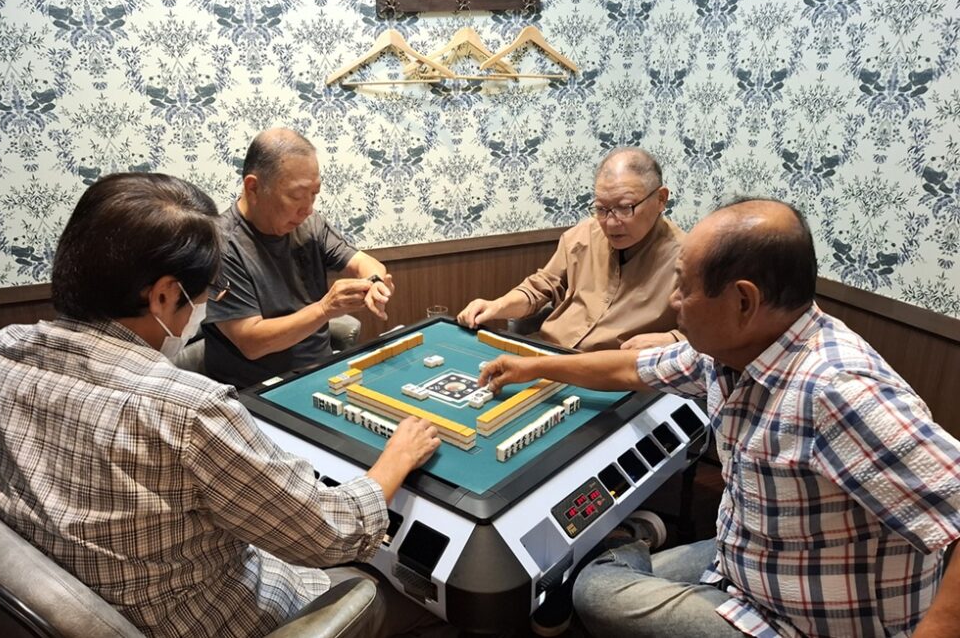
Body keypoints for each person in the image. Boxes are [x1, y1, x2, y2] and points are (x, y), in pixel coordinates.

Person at [0, 173, 445, 638]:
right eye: (205, 296)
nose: (206, 306)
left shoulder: (0, 350)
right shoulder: (188, 411)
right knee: (404, 590)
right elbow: (329, 536)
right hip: (222, 617)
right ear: (163, 295)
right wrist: (396, 459)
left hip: (97, 589)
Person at [479, 198, 960, 637]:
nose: (673, 302)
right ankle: (638, 539)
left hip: (806, 622)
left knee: (594, 592)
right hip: (751, 558)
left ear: (743, 302)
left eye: (684, 288)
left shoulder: (836, 391)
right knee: (599, 579)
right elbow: (629, 368)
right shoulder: (732, 349)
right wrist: (533, 366)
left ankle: (632, 541)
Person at [203, 128, 393, 387]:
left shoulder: (308, 224)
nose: (308, 209)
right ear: (253, 188)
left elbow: (364, 263)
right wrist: (325, 309)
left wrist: (374, 283)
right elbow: (252, 342)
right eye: (296, 196)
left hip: (320, 373)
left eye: (314, 194)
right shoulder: (221, 244)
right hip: (258, 390)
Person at [457, 147, 684, 351]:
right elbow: (540, 288)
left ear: (661, 199)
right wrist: (495, 305)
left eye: (625, 208)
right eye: (601, 209)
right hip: (547, 352)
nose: (611, 223)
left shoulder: (688, 258)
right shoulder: (583, 235)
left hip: (610, 371)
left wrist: (673, 339)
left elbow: (704, 337)